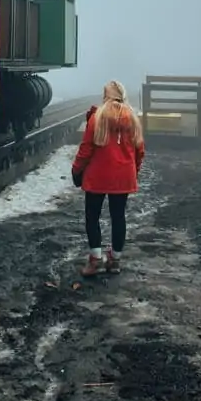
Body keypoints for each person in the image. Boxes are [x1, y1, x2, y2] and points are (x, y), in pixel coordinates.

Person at [71, 81, 145, 276]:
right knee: (118, 217)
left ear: (106, 95)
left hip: (98, 176)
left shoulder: (98, 118)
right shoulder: (133, 118)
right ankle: (115, 261)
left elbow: (86, 149)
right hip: (123, 176)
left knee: (92, 216)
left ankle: (95, 260)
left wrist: (76, 170)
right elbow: (139, 150)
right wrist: (133, 171)